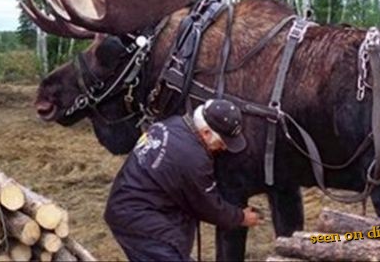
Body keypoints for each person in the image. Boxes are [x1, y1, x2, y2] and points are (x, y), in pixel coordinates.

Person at [104, 99, 262, 261]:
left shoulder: (174, 123)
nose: (223, 148)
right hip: (139, 219)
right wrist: (240, 217)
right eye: (222, 142)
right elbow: (208, 206)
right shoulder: (193, 159)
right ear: (207, 132)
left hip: (129, 208)